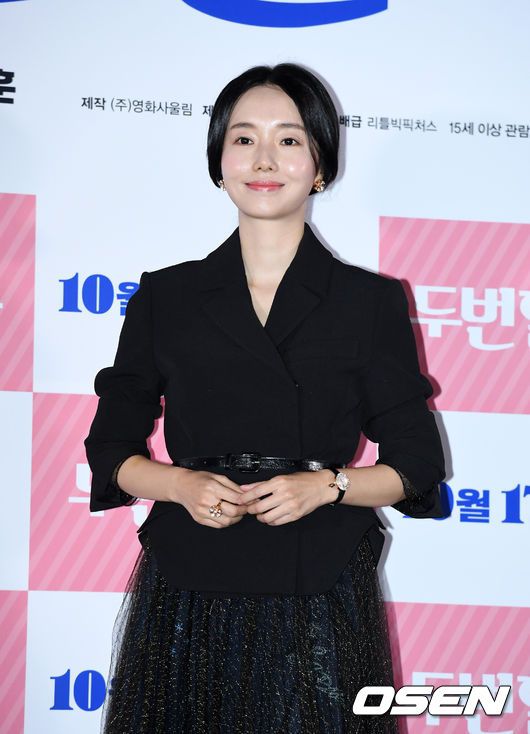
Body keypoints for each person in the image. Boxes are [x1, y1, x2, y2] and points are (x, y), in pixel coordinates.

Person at [85, 63, 446, 734]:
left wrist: (328, 487)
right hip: (191, 584)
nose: (264, 159)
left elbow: (417, 464)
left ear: (320, 166)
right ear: (219, 162)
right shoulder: (167, 296)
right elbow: (110, 450)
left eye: (289, 139)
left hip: (320, 585)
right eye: (244, 138)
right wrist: (180, 484)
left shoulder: (368, 301)